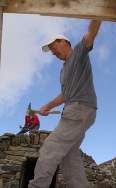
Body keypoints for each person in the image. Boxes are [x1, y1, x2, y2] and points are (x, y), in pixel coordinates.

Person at [28, 19, 101, 188]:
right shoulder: (63, 71)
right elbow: (64, 95)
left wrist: (98, 13)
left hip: (78, 108)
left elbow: (91, 34)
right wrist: (48, 106)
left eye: (54, 48)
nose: (53, 53)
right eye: (51, 51)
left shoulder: (78, 54)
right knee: (69, 158)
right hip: (81, 111)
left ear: (63, 42)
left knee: (49, 149)